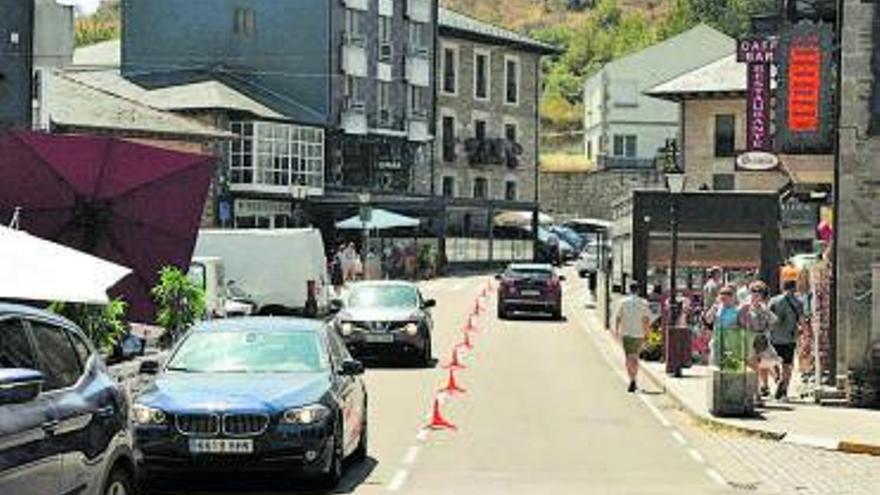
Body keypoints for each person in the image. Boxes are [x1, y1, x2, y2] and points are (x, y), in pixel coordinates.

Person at [739, 281, 779, 399]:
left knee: (758, 366)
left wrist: (765, 330)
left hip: (760, 340)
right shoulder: (745, 306)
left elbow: (773, 321)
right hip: (748, 339)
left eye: (759, 293)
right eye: (753, 292)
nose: (756, 295)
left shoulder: (763, 308)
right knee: (752, 367)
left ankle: (756, 393)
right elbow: (739, 322)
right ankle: (754, 392)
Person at [769, 280, 805, 400]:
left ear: (782, 287)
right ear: (794, 288)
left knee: (773, 362)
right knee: (788, 365)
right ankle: (784, 389)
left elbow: (768, 317)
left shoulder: (774, 300)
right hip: (790, 337)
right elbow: (801, 320)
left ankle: (778, 379)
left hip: (774, 337)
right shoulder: (798, 302)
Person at [615, 281, 652, 393]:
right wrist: (647, 334)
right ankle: (634, 378)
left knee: (628, 357)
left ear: (629, 289)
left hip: (626, 333)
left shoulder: (623, 302)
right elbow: (645, 320)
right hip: (638, 334)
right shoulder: (644, 303)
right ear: (638, 290)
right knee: (635, 357)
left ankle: (631, 379)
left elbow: (618, 318)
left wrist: (617, 331)